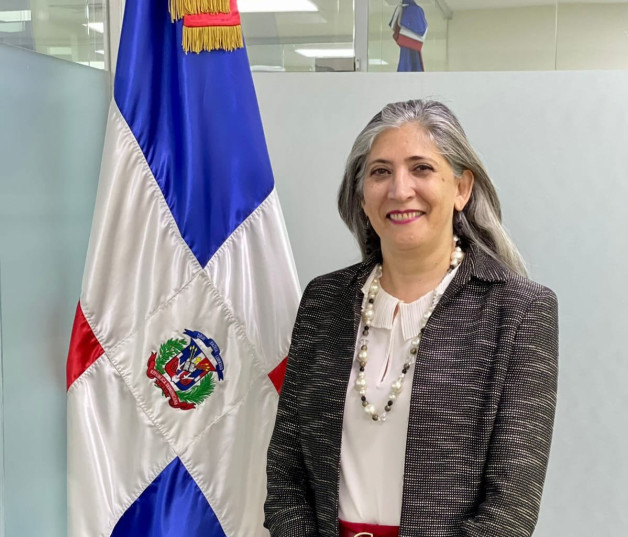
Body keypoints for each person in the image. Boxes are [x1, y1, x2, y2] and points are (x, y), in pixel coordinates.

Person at [264, 99, 558, 537]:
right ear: (362, 195)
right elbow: (286, 475)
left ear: (461, 188)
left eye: (421, 168)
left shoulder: (519, 312)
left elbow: (510, 509)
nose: (400, 190)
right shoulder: (324, 302)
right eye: (381, 172)